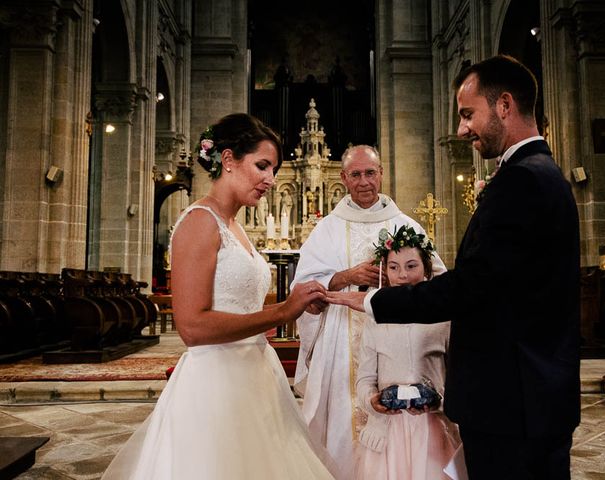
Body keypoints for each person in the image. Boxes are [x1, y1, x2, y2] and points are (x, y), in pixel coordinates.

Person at [327, 55, 581, 480]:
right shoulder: (538, 172)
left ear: (504, 105)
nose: (462, 129)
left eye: (468, 114)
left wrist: (376, 301)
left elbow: (472, 286)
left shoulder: (522, 180)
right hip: (532, 392)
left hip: (512, 399)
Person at [103, 113, 334, 479]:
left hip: (255, 375)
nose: (271, 180)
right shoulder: (199, 222)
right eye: (262, 166)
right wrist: (282, 312)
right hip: (215, 385)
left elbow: (242, 307)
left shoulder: (235, 227)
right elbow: (192, 327)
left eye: (273, 169)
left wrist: (296, 306)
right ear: (228, 160)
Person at [291, 144, 446, 479]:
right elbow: (303, 285)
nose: (364, 181)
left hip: (401, 347)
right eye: (356, 174)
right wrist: (347, 276)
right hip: (341, 344)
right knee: (342, 422)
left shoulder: (407, 226)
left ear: (381, 174)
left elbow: (440, 283)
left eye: (370, 173)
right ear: (344, 178)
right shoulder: (327, 228)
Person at [356, 225, 464, 480]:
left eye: (411, 266)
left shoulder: (444, 320)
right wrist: (372, 399)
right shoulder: (375, 320)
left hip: (432, 431)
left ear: (427, 269)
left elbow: (459, 375)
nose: (402, 275)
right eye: (393, 267)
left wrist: (439, 399)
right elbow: (364, 379)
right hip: (386, 434)